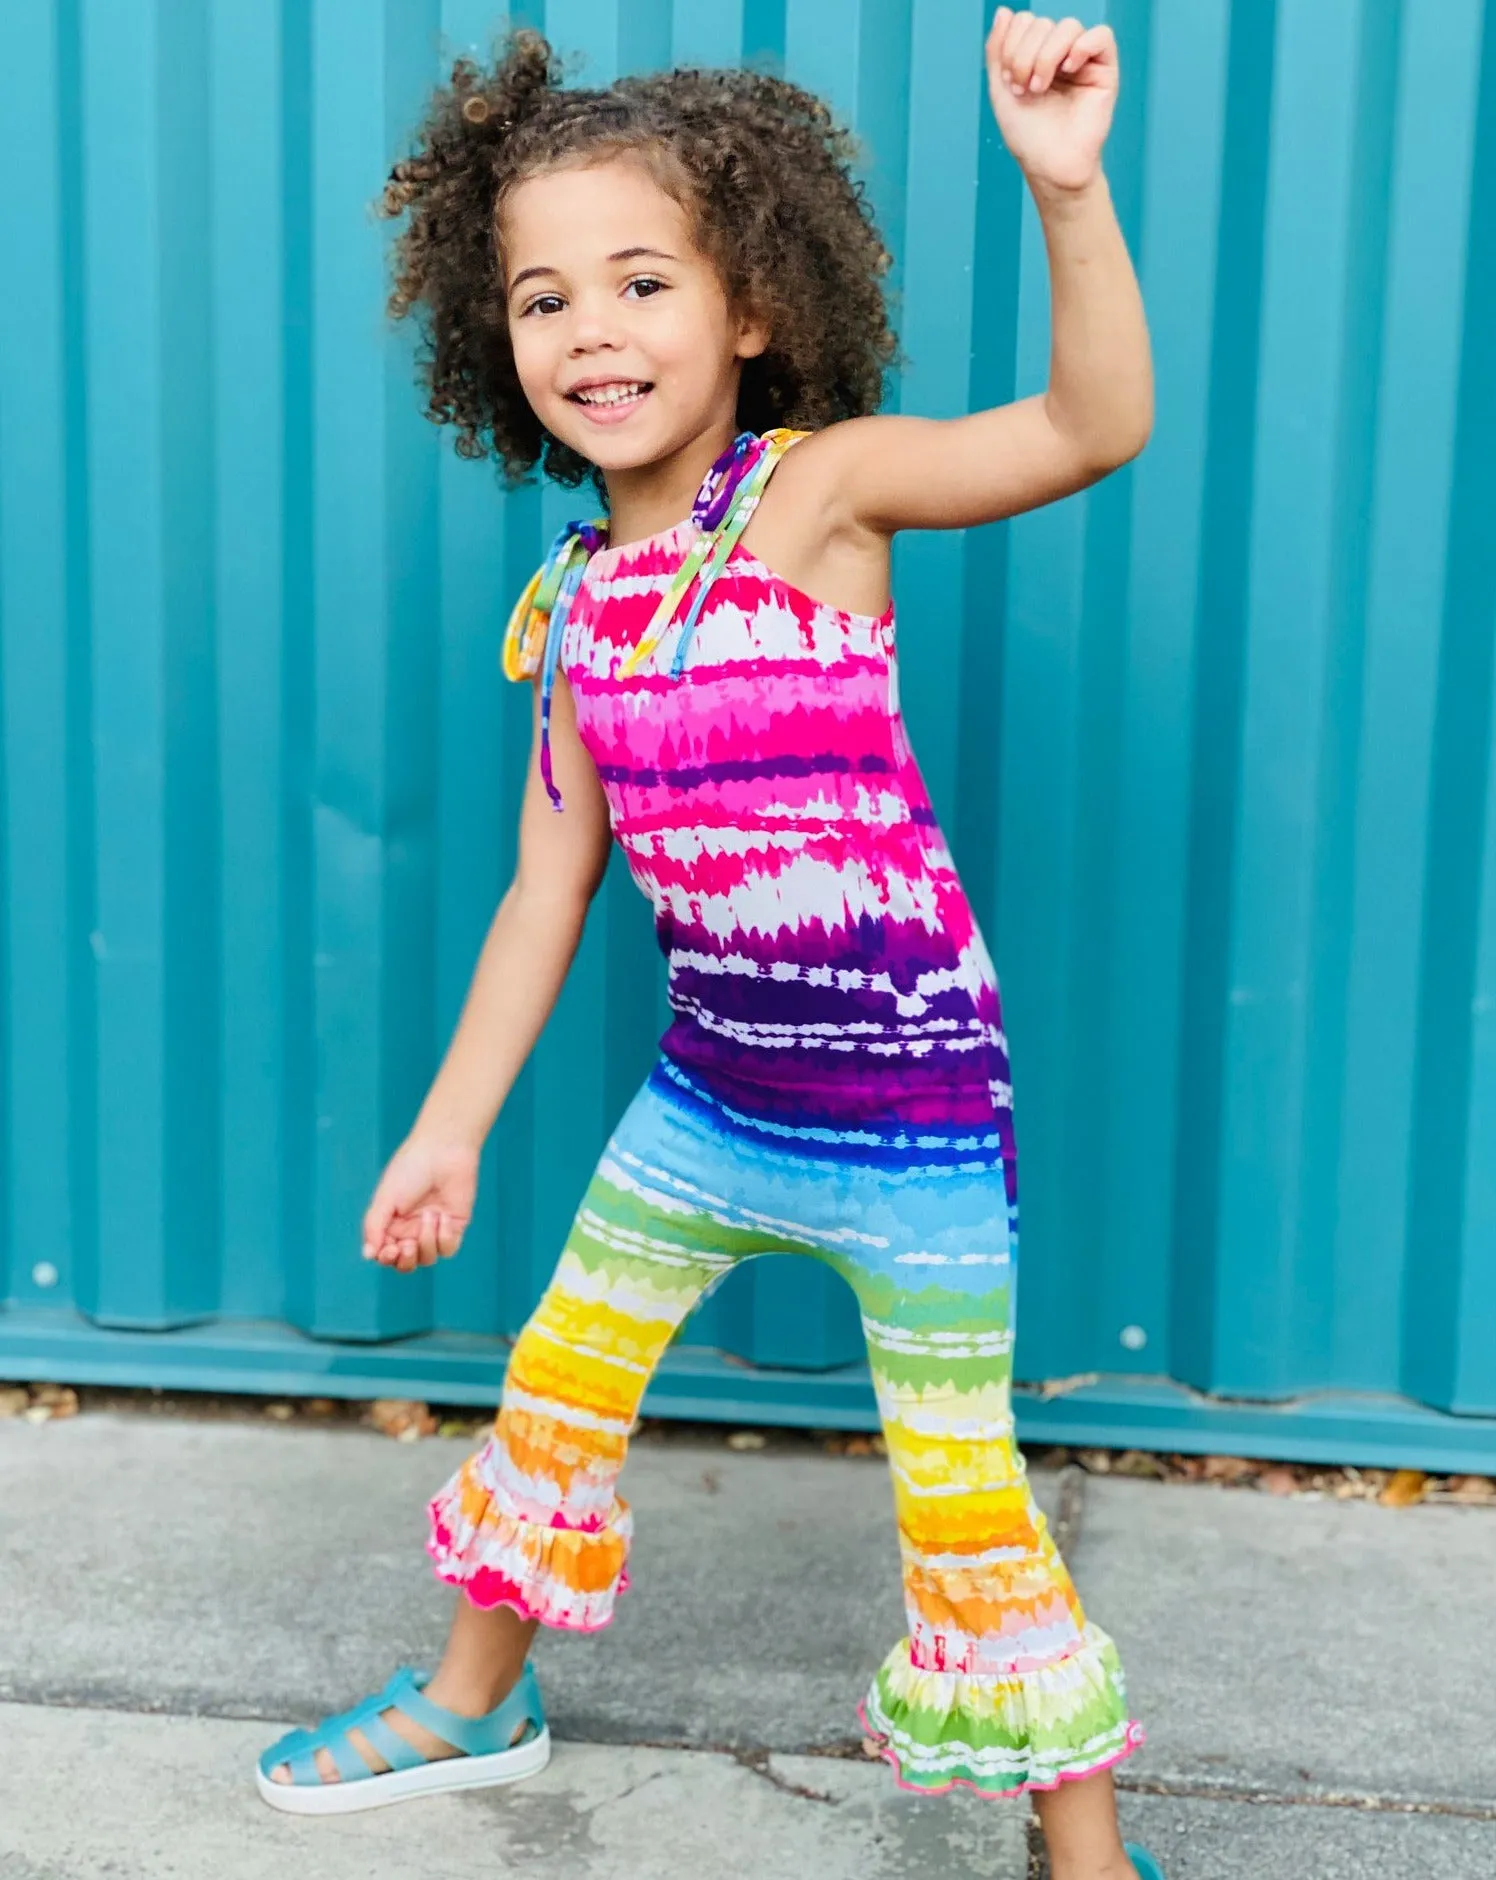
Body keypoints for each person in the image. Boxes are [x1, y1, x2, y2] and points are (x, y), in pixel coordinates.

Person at [256, 11, 1161, 1876]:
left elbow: (1094, 427)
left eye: (643, 282)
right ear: (489, 343)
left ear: (749, 308)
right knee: (556, 1386)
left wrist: (1065, 191)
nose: (591, 331)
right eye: (541, 299)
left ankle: (1084, 1857)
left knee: (963, 1490)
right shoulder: (576, 604)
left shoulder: (815, 503)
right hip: (710, 1103)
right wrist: (452, 1126)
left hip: (908, 1115)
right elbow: (546, 889)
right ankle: (470, 1700)